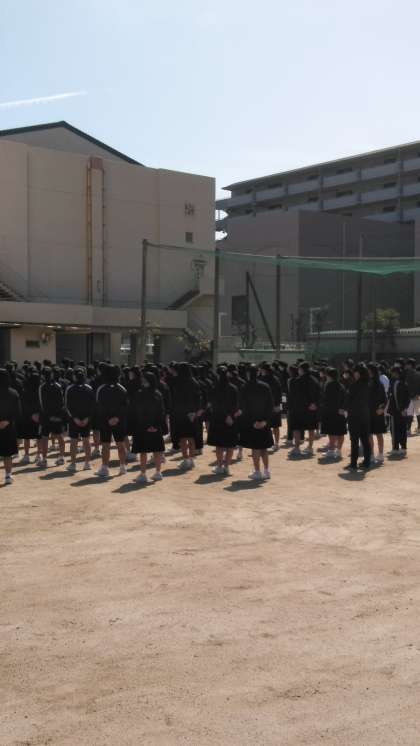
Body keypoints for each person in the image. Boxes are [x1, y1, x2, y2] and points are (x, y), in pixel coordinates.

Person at [239, 365, 274, 481]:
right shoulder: (265, 386)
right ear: (258, 373)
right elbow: (270, 405)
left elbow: (243, 407)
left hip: (251, 422)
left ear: (248, 374)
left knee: (255, 448)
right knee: (264, 447)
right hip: (264, 422)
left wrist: (252, 422)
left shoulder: (244, 387)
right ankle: (267, 471)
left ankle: (257, 471)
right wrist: (265, 421)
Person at [132, 371, 166, 483]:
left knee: (145, 451)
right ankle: (156, 472)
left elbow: (138, 411)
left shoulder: (140, 393)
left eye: (144, 379)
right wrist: (155, 425)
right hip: (155, 427)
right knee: (155, 450)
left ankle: (144, 474)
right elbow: (161, 412)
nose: (142, 380)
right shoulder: (158, 393)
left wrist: (149, 425)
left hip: (143, 426)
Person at [95, 364, 128, 478]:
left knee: (105, 445)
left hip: (105, 421)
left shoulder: (101, 388)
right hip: (119, 421)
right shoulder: (122, 388)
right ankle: (122, 467)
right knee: (120, 444)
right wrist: (117, 418)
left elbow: (99, 406)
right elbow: (125, 406)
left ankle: (105, 468)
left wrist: (109, 419)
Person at [207, 366, 239, 476]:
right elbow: (236, 405)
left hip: (218, 418)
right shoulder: (233, 388)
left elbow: (214, 405)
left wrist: (224, 415)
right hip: (231, 419)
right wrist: (230, 416)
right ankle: (227, 467)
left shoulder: (215, 388)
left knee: (219, 444)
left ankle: (220, 466)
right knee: (230, 444)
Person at [171, 363, 202, 471]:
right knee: (191, 437)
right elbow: (198, 398)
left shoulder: (178, 382)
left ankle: (186, 459)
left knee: (183, 438)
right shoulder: (194, 382)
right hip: (192, 414)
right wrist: (195, 412)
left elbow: (175, 398)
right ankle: (192, 460)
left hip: (181, 413)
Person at [65, 367, 95, 473]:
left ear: (74, 376)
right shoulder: (89, 388)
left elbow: (67, 405)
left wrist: (75, 418)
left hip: (74, 420)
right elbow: (93, 405)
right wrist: (88, 418)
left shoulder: (70, 388)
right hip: (86, 419)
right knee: (86, 440)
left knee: (74, 441)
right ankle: (87, 463)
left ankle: (73, 464)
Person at [344, 363, 371, 471]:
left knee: (354, 440)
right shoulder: (368, 384)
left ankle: (353, 463)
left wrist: (345, 408)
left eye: (354, 372)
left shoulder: (354, 385)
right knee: (365, 440)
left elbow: (348, 400)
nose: (353, 374)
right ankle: (367, 462)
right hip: (365, 415)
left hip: (354, 415)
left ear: (358, 373)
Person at [38, 367, 66, 468]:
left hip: (46, 416)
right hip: (57, 416)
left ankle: (44, 460)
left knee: (45, 437)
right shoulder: (58, 386)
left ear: (42, 375)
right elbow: (62, 402)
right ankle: (61, 457)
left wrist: (48, 416)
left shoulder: (42, 387)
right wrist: (58, 416)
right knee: (60, 436)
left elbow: (42, 404)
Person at [292, 362, 320, 457]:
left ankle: (297, 448)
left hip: (299, 408)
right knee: (311, 428)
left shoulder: (297, 380)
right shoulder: (314, 380)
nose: (298, 371)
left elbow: (296, 395)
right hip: (312, 408)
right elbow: (319, 393)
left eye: (299, 369)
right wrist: (315, 404)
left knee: (297, 428)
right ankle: (310, 447)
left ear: (302, 370)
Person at [0, 368, 21, 485]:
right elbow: (17, 411)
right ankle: (8, 475)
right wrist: (7, 421)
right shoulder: (13, 393)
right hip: (8, 427)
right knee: (7, 454)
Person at [320, 367, 346, 460]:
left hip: (330, 411)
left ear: (329, 375)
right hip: (340, 412)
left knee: (331, 432)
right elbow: (345, 398)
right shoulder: (341, 385)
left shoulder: (328, 385)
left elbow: (326, 399)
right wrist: (342, 408)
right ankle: (338, 451)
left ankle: (331, 451)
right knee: (340, 432)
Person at [18, 368, 41, 465]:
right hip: (39, 416)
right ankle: (38, 454)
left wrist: (30, 414)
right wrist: (38, 413)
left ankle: (26, 455)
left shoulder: (25, 390)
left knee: (26, 437)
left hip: (27, 417)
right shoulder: (40, 390)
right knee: (39, 437)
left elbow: (23, 404)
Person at [388, 365, 410, 456]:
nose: (391, 374)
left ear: (396, 373)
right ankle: (401, 447)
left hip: (397, 411)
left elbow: (402, 398)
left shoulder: (397, 383)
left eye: (392, 372)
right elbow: (407, 398)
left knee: (396, 430)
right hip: (400, 410)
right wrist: (404, 408)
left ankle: (397, 448)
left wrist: (402, 408)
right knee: (400, 429)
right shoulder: (402, 382)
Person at [367, 363, 387, 464]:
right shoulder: (366, 382)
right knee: (369, 434)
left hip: (377, 413)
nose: (367, 372)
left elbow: (385, 399)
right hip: (368, 412)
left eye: (368, 370)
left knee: (378, 433)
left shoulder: (379, 384)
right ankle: (371, 454)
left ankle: (380, 454)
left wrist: (382, 408)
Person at [404, 359, 420, 435]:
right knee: (418, 412)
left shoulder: (407, 374)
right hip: (417, 396)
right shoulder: (418, 374)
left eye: (407, 364)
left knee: (409, 413)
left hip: (409, 396)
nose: (406, 366)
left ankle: (408, 429)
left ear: (410, 365)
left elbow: (406, 386)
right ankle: (419, 428)